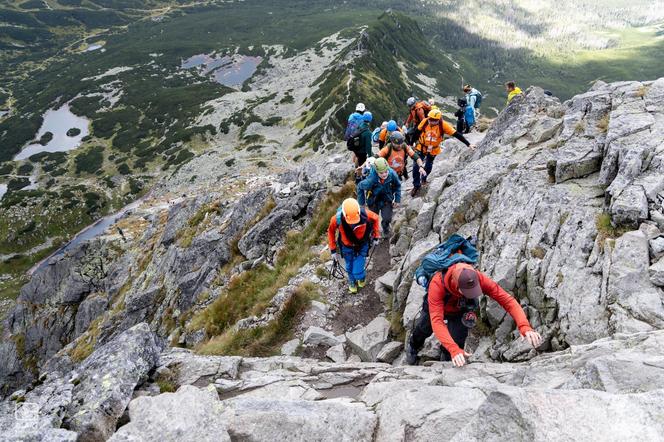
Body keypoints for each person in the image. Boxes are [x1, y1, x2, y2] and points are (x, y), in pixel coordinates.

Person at [406, 262, 543, 366]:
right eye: (466, 291)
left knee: (458, 339)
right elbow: (437, 321)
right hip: (436, 306)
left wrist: (524, 326)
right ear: (455, 285)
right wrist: (454, 349)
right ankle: (413, 345)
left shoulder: (477, 277)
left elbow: (507, 300)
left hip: (460, 309)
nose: (471, 294)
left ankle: (447, 356)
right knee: (423, 328)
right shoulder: (437, 284)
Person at [410, 109, 475, 197]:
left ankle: (424, 179)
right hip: (421, 147)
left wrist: (468, 144)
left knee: (428, 166)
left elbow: (457, 134)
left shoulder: (443, 125)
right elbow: (416, 132)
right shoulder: (425, 122)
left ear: (438, 120)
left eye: (433, 120)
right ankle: (416, 185)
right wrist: (412, 143)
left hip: (433, 149)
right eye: (430, 119)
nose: (431, 121)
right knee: (416, 167)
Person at [328, 198, 380, 294]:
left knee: (357, 271)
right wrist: (333, 250)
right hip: (347, 247)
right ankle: (352, 282)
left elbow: (376, 218)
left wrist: (376, 236)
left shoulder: (365, 214)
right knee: (349, 265)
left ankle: (360, 277)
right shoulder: (336, 219)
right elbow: (330, 231)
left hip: (362, 245)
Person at [357, 157, 401, 236]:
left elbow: (398, 185)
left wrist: (397, 199)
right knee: (372, 219)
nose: (384, 174)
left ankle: (385, 228)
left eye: (385, 171)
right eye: (381, 173)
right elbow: (360, 187)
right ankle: (373, 232)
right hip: (373, 201)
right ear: (377, 172)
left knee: (387, 218)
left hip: (386, 200)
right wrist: (361, 203)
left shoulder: (392, 174)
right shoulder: (370, 180)